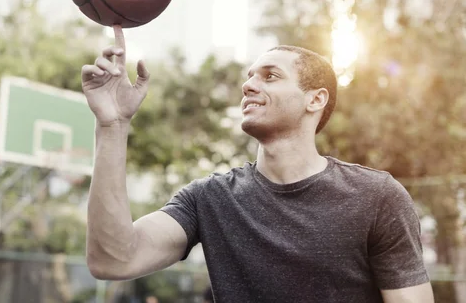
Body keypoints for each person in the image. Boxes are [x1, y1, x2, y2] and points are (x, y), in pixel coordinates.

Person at [81, 26, 434, 303]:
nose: (248, 85)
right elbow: (113, 260)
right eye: (249, 76)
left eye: (269, 76)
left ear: (315, 99)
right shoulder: (209, 199)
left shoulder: (376, 196)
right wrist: (112, 126)